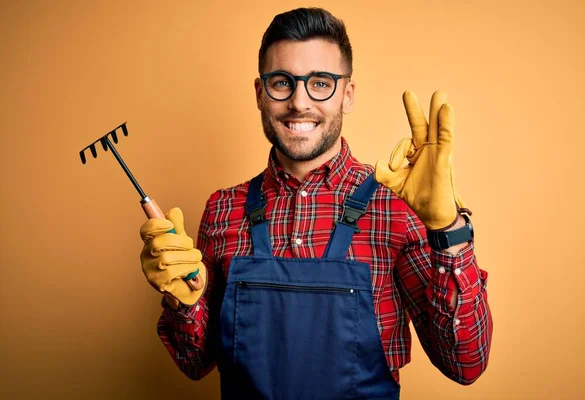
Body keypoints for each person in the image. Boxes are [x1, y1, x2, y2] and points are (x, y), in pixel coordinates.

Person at [139, 7, 492, 399]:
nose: (299, 102)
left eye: (320, 82)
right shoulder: (223, 209)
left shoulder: (396, 208)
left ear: (348, 93)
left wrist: (448, 231)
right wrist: (181, 301)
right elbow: (194, 363)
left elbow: (465, 363)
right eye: (282, 82)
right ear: (260, 94)